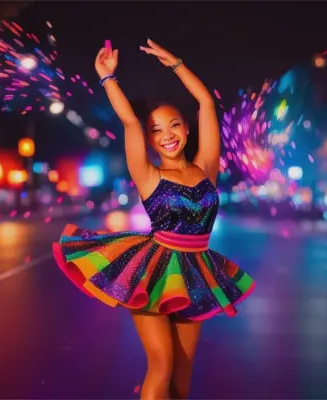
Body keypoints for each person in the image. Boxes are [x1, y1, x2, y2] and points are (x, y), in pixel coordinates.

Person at [52, 39, 255, 400]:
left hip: (198, 273)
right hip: (155, 271)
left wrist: (177, 64)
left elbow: (206, 102)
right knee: (160, 366)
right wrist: (107, 79)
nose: (167, 136)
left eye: (174, 126)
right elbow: (129, 120)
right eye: (157, 131)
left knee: (182, 373)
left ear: (187, 129)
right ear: (149, 140)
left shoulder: (206, 167)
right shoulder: (147, 174)